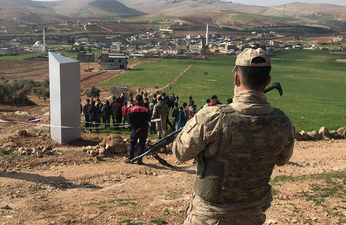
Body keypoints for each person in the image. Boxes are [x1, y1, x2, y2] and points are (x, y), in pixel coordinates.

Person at [172, 48, 295, 225]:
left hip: (208, 217)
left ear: (236, 78)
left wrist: (196, 123)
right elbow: (282, 159)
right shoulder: (282, 122)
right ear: (267, 80)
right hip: (253, 216)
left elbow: (180, 152)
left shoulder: (212, 117)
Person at [124, 94, 150, 165]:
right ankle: (139, 160)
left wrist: (134, 128)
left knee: (132, 144)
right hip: (143, 129)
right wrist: (142, 127)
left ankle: (130, 158)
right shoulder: (146, 109)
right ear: (142, 100)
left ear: (136, 100)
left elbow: (129, 120)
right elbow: (148, 120)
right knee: (141, 144)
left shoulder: (131, 109)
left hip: (134, 130)